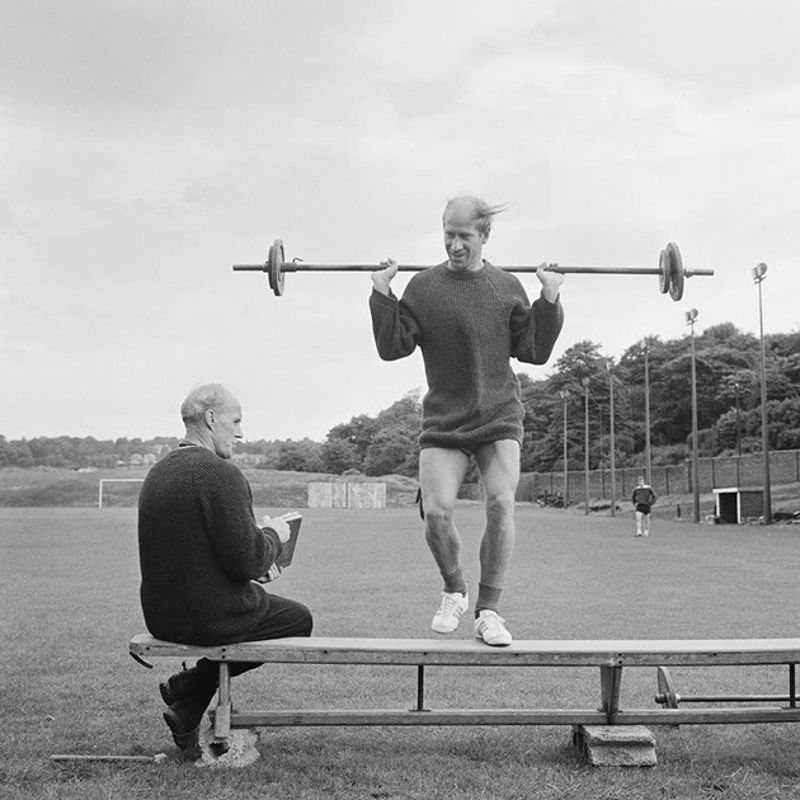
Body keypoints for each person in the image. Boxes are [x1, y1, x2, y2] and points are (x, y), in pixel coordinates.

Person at [369, 196, 564, 646]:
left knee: (500, 502)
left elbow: (532, 350)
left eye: (464, 236)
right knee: (436, 512)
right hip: (445, 418)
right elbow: (392, 346)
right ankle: (454, 588)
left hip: (498, 415)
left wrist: (548, 299)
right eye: (449, 235)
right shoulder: (423, 288)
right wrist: (383, 294)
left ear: (484, 236)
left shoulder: (505, 287)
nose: (455, 245)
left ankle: (489, 611)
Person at [137, 383, 312, 758]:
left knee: (269, 605)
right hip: (208, 617)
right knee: (298, 620)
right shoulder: (220, 474)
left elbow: (198, 553)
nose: (242, 432)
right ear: (212, 419)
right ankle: (192, 687)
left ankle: (189, 702)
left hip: (161, 616)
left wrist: (258, 559)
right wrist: (274, 537)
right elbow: (246, 562)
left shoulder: (157, 474)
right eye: (236, 421)